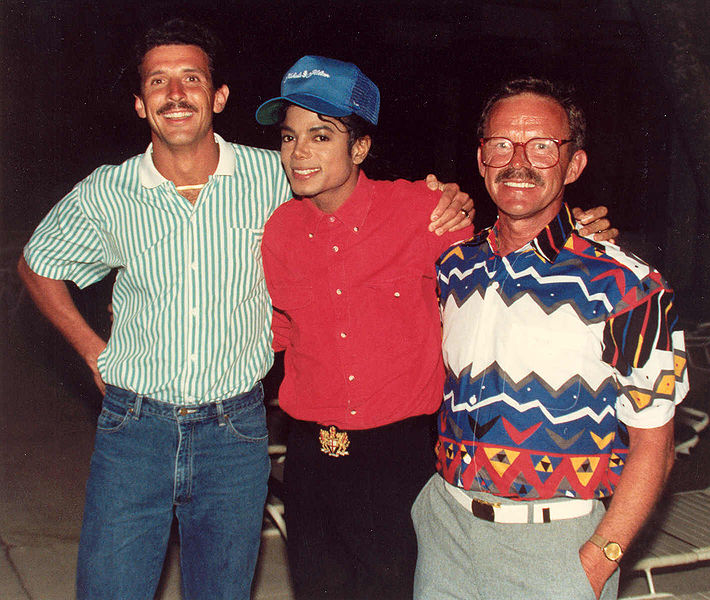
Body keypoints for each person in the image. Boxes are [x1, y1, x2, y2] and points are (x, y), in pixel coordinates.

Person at [16, 20, 475, 600]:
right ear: (140, 103)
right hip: (136, 429)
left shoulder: (274, 179)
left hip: (234, 433)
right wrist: (91, 348)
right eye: (158, 81)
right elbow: (38, 263)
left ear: (219, 97)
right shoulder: (108, 192)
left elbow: (362, 204)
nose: (175, 93)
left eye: (191, 78)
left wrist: (454, 201)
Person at [257, 59, 616, 600]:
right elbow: (276, 331)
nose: (299, 152)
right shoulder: (280, 230)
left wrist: (578, 231)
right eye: (289, 137)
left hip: (397, 456)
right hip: (309, 456)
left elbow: (509, 248)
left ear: (359, 148)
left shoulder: (426, 213)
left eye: (320, 135)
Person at [412, 77, 689, 600]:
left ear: (574, 164)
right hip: (445, 532)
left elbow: (657, 445)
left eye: (542, 146)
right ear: (481, 159)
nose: (519, 161)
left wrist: (597, 561)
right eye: (501, 144)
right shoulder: (452, 267)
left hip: (558, 547)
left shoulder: (631, 287)